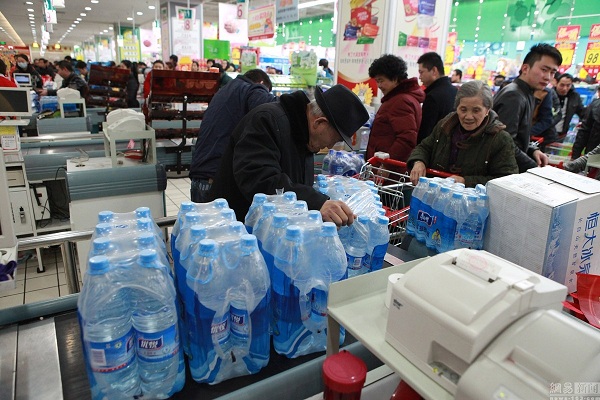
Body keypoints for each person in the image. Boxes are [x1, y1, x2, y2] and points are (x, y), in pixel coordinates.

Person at [207, 84, 369, 226]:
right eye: (335, 139)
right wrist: (316, 203)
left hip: (269, 230)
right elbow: (259, 179)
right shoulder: (267, 120)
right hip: (233, 228)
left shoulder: (304, 136)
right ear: (319, 122)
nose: (330, 146)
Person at [407, 80, 518, 187]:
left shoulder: (500, 139)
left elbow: (506, 179)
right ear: (457, 108)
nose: (468, 117)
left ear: (487, 110)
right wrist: (419, 161)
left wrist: (466, 181)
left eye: (476, 110)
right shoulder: (445, 125)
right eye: (463, 109)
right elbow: (425, 147)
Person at [189, 69, 278, 202]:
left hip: (199, 179)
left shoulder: (225, 91)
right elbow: (273, 108)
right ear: (261, 83)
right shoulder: (251, 89)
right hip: (215, 181)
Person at [492, 43, 562, 172]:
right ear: (525, 68)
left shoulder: (527, 93)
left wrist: (532, 150)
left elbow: (517, 138)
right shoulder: (514, 95)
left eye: (553, 72)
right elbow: (505, 144)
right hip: (500, 171)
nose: (548, 77)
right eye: (544, 70)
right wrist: (533, 168)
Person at [365, 54, 425, 163]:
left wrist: (387, 164)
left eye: (381, 80)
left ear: (395, 79)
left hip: (389, 169)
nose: (379, 85)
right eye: (377, 81)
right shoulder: (400, 98)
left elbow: (406, 139)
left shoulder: (400, 101)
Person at [417, 52, 458, 143]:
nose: (420, 77)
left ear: (434, 70)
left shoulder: (432, 97)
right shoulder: (455, 91)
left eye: (421, 72)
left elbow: (425, 133)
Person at [554, 73, 586, 139]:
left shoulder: (574, 96)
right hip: (545, 133)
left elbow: (582, 113)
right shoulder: (549, 95)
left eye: (568, 85)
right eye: (562, 85)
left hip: (561, 134)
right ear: (556, 83)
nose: (565, 88)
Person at [571, 87, 600, 160]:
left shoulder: (594, 106)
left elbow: (584, 131)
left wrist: (575, 157)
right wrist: (575, 157)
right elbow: (584, 132)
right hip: (593, 155)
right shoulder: (594, 106)